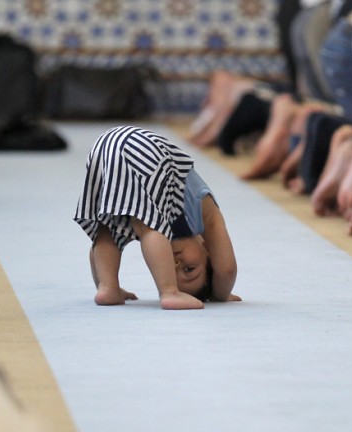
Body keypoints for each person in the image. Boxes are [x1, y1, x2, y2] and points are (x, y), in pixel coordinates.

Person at [75, 126, 239, 309]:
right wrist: (221, 295)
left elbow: (98, 246)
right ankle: (169, 292)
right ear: (207, 249)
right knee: (149, 227)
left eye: (171, 270)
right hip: (144, 149)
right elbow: (226, 270)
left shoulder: (149, 215)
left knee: (108, 227)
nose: (176, 263)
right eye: (189, 269)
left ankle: (107, 287)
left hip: (105, 146)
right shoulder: (204, 212)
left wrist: (101, 279)